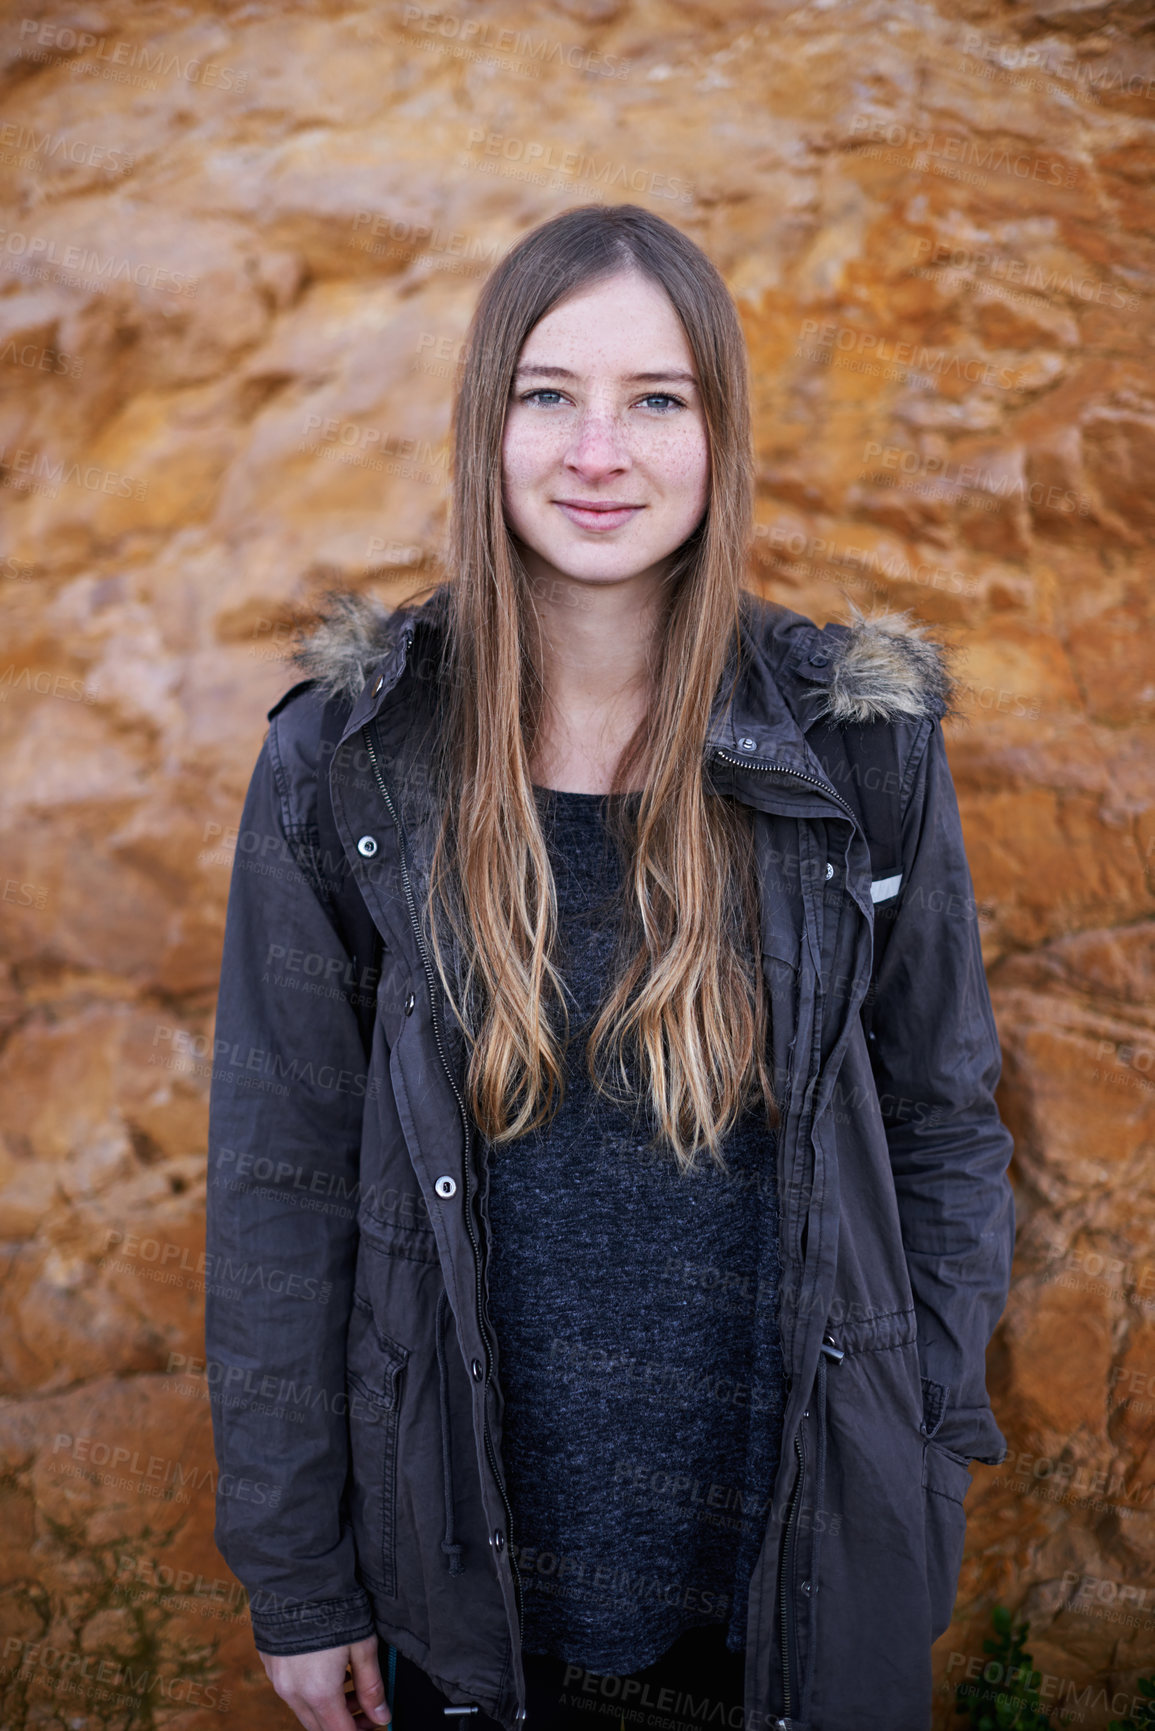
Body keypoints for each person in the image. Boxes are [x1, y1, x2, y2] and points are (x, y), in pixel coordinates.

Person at [205, 203, 1015, 1731]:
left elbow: (946, 1122)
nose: (600, 452)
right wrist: (301, 1577)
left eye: (656, 399)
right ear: (484, 424)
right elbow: (280, 1180)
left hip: (800, 1555)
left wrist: (920, 1438)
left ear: (719, 434)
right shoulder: (349, 762)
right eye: (548, 395)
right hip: (462, 1576)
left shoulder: (862, 750)